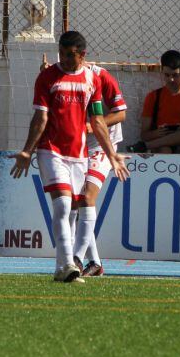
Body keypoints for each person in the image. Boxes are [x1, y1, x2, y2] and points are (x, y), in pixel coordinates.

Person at [10, 31, 129, 283]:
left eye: (69, 55)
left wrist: (112, 154)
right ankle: (68, 264)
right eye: (61, 54)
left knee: (73, 208)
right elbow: (40, 117)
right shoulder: (47, 77)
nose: (63, 59)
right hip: (50, 150)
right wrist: (27, 150)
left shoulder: (92, 79)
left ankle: (65, 268)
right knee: (63, 205)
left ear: (82, 55)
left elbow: (97, 120)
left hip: (78, 154)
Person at [73, 63, 128, 277]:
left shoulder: (100, 76)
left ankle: (76, 258)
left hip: (104, 144)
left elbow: (121, 113)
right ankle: (95, 263)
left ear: (81, 56)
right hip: (79, 146)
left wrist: (95, 124)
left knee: (87, 197)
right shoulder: (63, 75)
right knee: (78, 202)